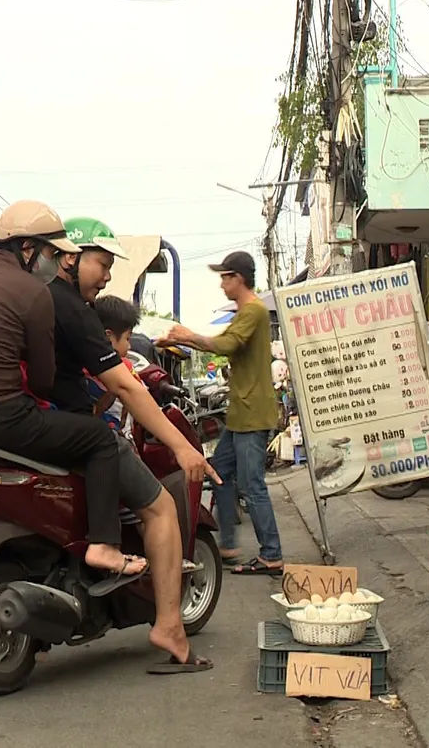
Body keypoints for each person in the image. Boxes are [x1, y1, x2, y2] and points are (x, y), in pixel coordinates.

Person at [0, 199, 147, 581]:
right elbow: (44, 382)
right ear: (27, 249)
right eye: (51, 252)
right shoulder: (33, 292)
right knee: (98, 439)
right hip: (0, 421)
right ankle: (105, 545)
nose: (57, 262)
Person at [51, 215, 217, 674]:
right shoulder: (75, 311)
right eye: (102, 264)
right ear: (69, 256)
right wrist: (183, 448)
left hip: (27, 426)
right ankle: (169, 625)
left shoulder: (32, 299)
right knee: (161, 508)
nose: (107, 276)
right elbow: (128, 389)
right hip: (73, 432)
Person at [158, 251, 282, 577]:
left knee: (253, 485)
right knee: (219, 473)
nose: (222, 284)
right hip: (242, 413)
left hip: (252, 414)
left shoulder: (252, 310)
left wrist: (188, 337)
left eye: (226, 277)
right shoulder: (246, 311)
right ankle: (228, 544)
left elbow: (226, 345)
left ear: (238, 278)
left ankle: (271, 555)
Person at [91, 294, 145, 430]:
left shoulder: (80, 367)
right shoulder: (124, 367)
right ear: (108, 337)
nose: (129, 346)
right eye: (127, 339)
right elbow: (141, 399)